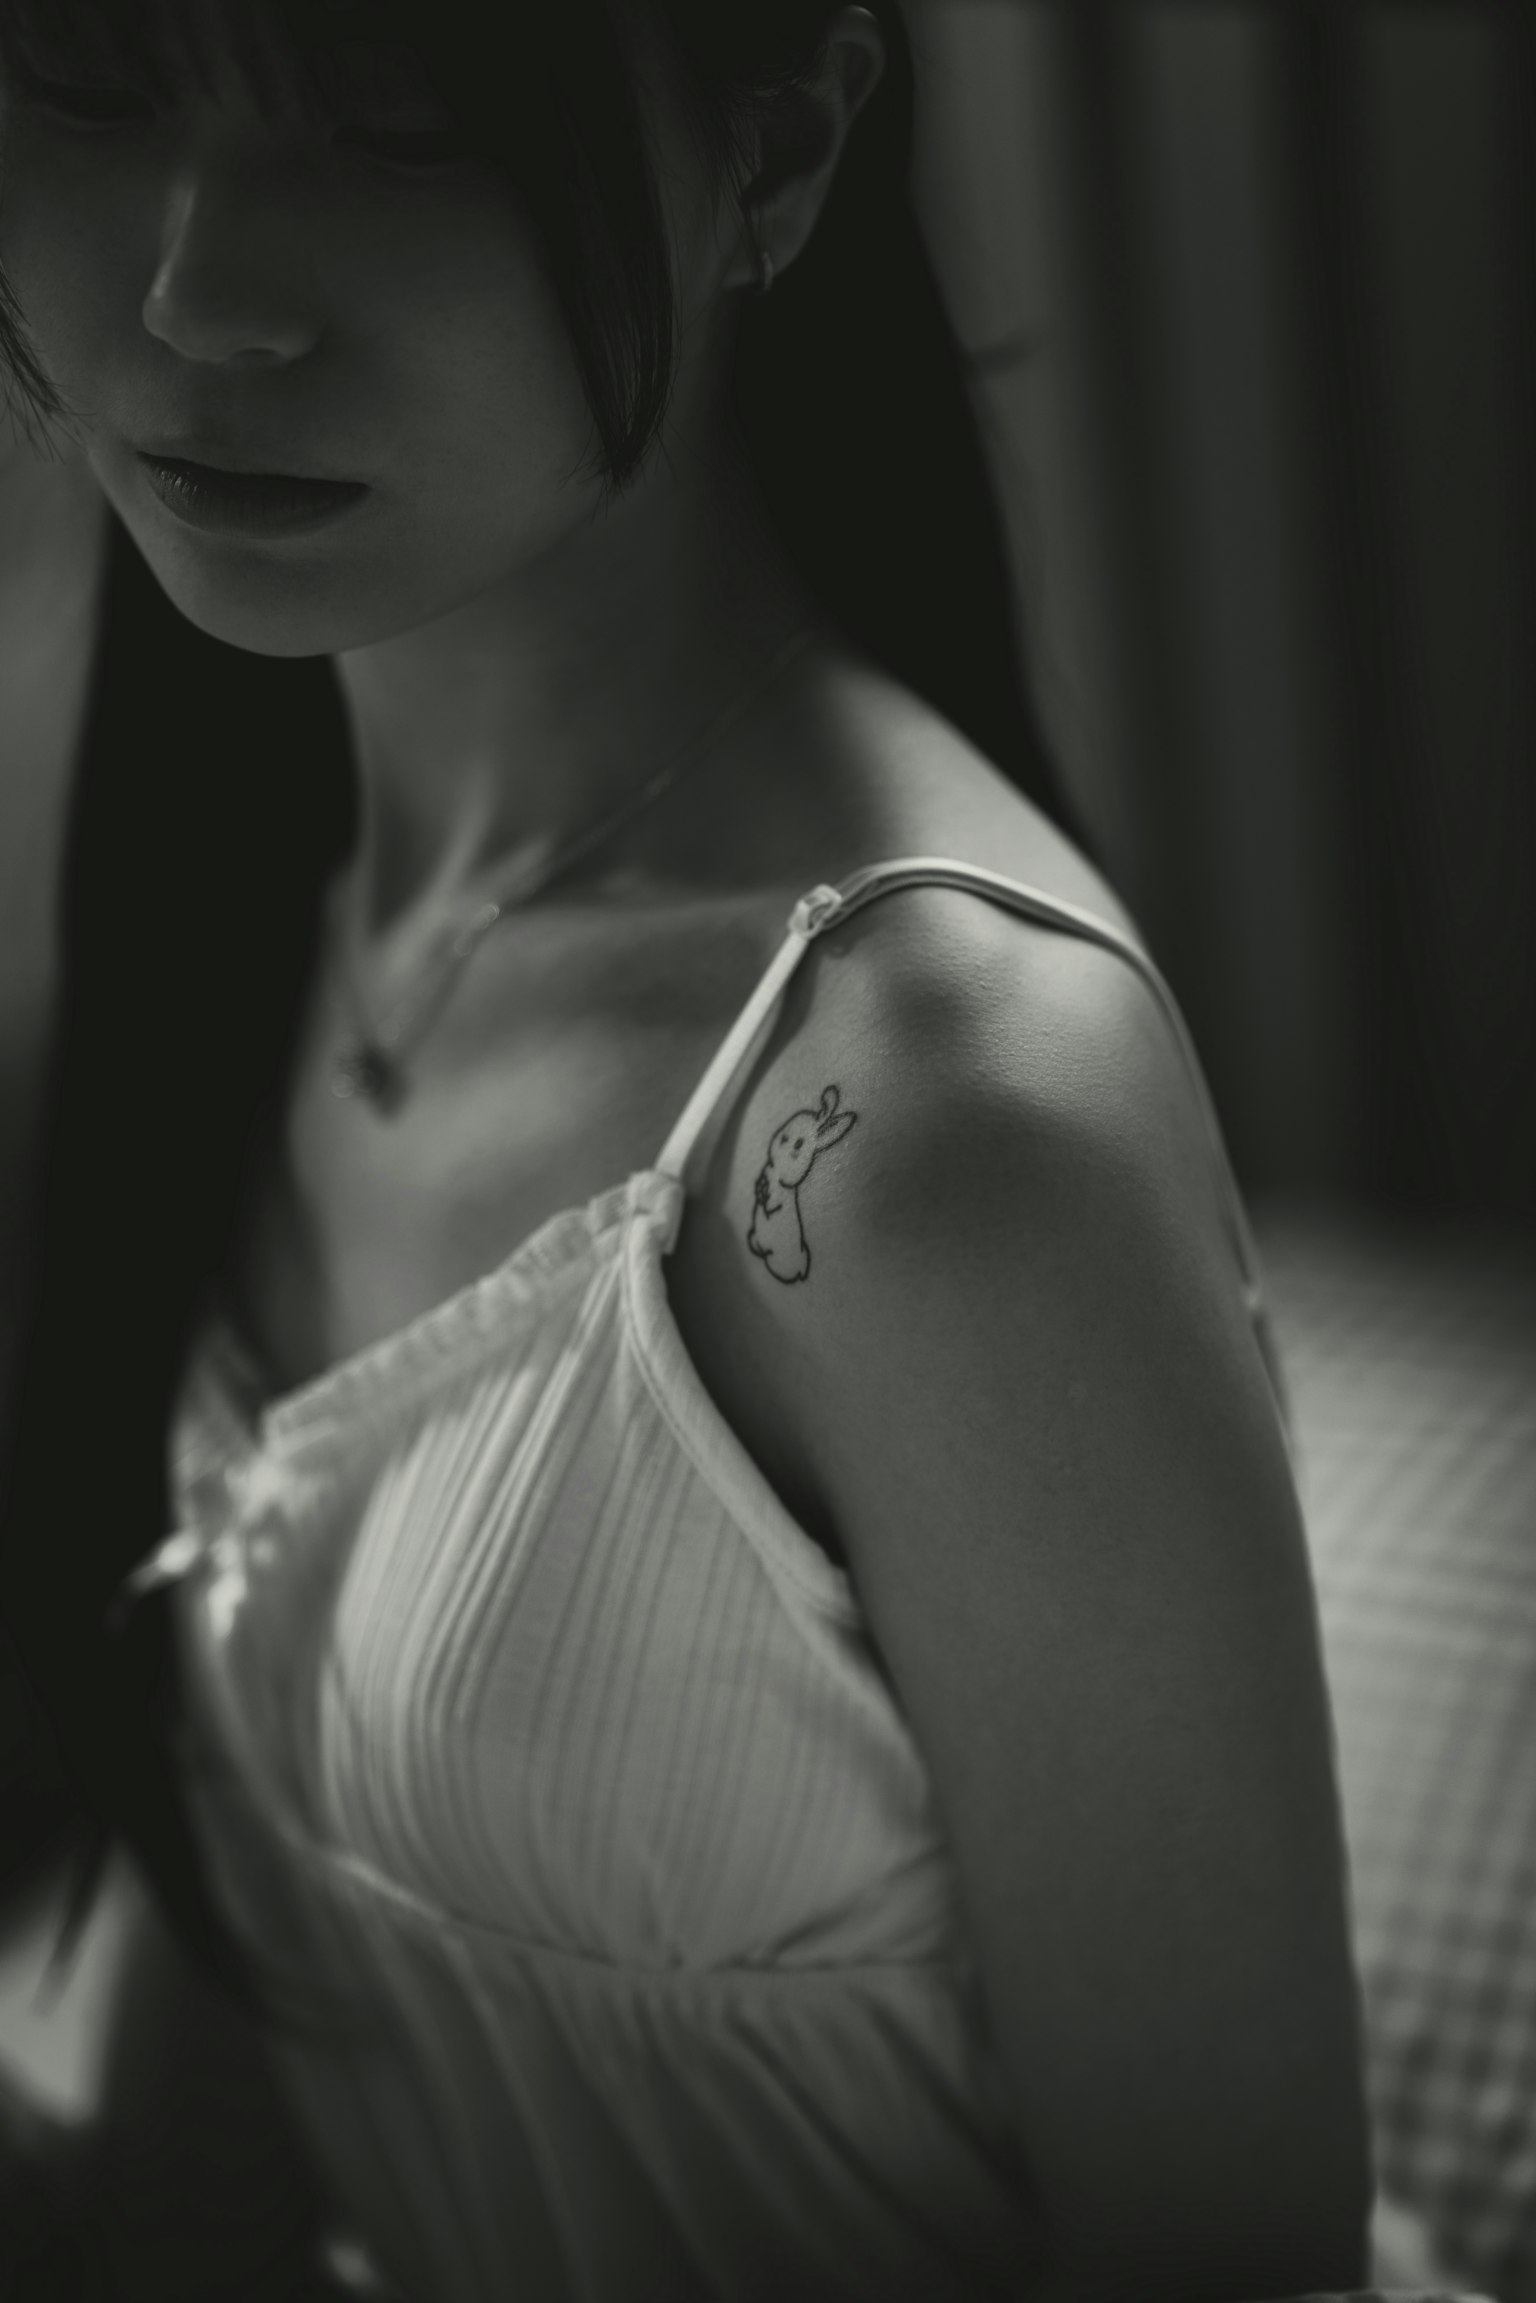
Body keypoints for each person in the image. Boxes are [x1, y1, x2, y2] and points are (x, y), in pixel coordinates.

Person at [0, 1, 1374, 2296]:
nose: (193, 295)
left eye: (394, 120)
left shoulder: (934, 1123)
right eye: (94, 83)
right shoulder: (259, 897)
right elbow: (240, 2106)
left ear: (778, 144)